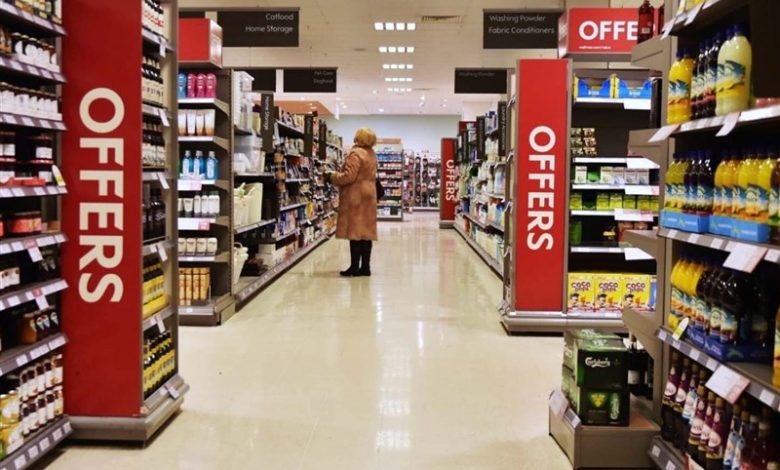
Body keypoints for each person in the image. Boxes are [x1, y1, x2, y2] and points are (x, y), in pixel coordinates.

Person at [326, 128, 379, 276]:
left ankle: (354, 267)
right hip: (369, 194)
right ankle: (365, 267)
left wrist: (332, 177)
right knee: (366, 233)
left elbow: (349, 176)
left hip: (356, 195)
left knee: (355, 232)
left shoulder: (356, 154)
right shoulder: (371, 154)